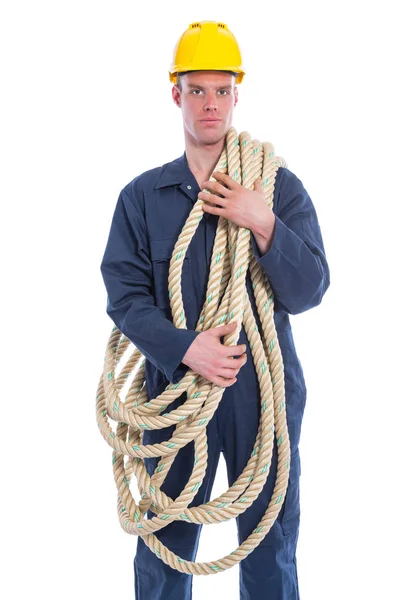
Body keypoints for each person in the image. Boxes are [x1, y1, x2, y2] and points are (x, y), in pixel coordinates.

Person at [100, 20, 330, 600]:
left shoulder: (277, 188)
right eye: (197, 90)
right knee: (165, 545)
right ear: (175, 93)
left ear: (236, 95)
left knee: (270, 546)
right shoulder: (141, 198)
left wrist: (263, 221)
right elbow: (125, 298)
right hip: (175, 394)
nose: (211, 104)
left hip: (262, 395)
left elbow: (310, 290)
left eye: (222, 90)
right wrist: (186, 349)